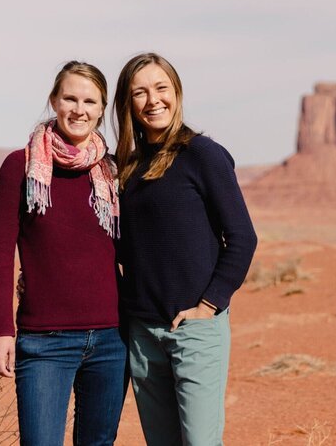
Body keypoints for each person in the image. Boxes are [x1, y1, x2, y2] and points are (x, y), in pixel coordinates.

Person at [113, 52, 257, 445]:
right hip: (143, 333)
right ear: (127, 103)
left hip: (195, 329)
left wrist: (208, 305)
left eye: (161, 88)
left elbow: (243, 238)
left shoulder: (202, 154)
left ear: (176, 92)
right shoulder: (126, 166)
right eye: (140, 92)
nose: (152, 100)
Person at [0, 61, 125, 446]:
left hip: (112, 339)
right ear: (54, 100)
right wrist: (1, 331)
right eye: (70, 98)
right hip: (44, 341)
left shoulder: (111, 172)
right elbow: (0, 254)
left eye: (89, 101)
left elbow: (130, 251)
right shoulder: (21, 166)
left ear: (101, 109)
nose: (79, 109)